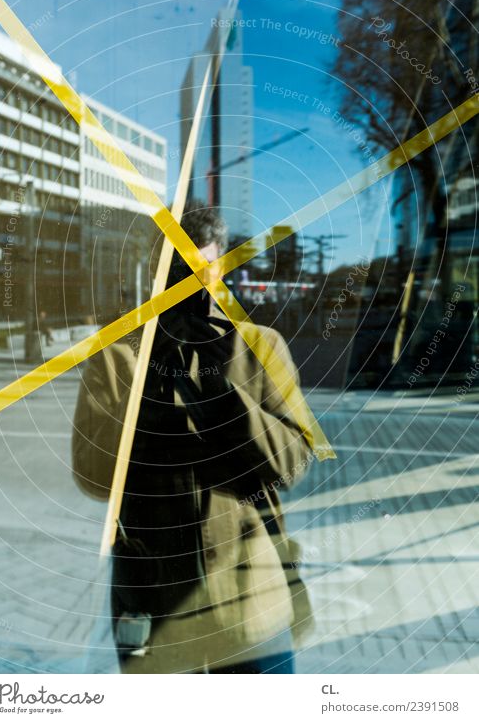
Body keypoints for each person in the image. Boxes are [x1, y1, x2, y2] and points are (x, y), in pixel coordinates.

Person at [71, 203, 313, 673]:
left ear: (220, 265)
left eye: (200, 270)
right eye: (177, 271)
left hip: (250, 602)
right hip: (156, 607)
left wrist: (226, 392)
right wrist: (146, 386)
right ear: (155, 271)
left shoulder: (261, 346)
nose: (191, 286)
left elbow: (294, 465)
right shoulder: (117, 355)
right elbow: (93, 478)